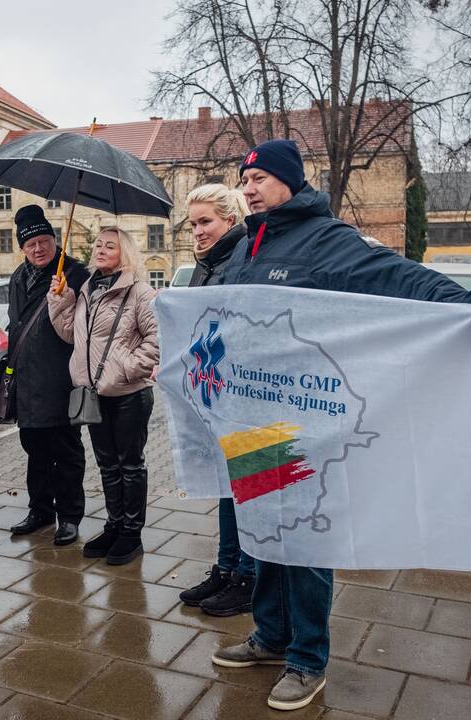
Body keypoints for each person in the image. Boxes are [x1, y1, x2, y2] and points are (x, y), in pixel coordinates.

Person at [211, 139, 471, 712]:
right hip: (254, 418)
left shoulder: (326, 238)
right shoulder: (249, 241)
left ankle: (308, 659)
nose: (248, 189)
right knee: (266, 531)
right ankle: (271, 636)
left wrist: (461, 302)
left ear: (290, 182)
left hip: (305, 421)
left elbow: (397, 276)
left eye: (259, 179)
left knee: (305, 536)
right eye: (244, 181)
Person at [48, 226, 159, 565]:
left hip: (128, 392)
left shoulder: (140, 292)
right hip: (94, 392)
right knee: (108, 465)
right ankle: (114, 525)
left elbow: (157, 337)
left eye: (109, 245)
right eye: (97, 244)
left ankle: (131, 533)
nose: (99, 249)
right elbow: (72, 335)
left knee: (130, 465)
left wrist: (128, 368)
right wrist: (60, 299)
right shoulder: (86, 289)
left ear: (124, 253)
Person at [176, 184, 258, 617]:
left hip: (242, 392)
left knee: (246, 485)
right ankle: (226, 568)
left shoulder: (242, 257)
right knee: (228, 486)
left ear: (230, 219)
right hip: (218, 390)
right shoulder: (207, 264)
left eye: (205, 222)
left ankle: (246, 576)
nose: (197, 232)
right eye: (192, 225)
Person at [6, 205, 90, 545]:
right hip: (25, 381)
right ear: (22, 248)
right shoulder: (16, 277)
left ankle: (69, 516)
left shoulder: (75, 273)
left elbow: (83, 329)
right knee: (34, 449)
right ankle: (40, 509)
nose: (38, 249)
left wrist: (64, 294)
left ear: (55, 240)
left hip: (61, 380)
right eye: (30, 244)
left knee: (66, 452)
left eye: (44, 241)